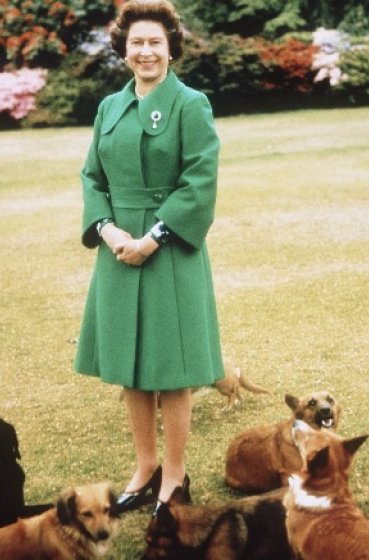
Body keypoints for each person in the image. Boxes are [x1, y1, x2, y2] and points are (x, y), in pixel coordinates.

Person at [73, 0, 224, 517]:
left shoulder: (191, 104)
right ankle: (145, 467)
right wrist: (110, 230)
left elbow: (199, 182)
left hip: (171, 252)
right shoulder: (108, 108)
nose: (146, 51)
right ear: (123, 48)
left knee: (171, 370)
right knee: (130, 368)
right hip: (117, 253)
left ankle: (176, 478)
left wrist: (152, 237)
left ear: (171, 47)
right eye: (136, 42)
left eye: (155, 42)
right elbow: (92, 177)